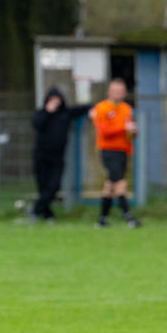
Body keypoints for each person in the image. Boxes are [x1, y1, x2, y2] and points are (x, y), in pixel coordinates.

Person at [31, 86, 93, 221]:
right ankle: (47, 214)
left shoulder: (65, 113)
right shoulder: (42, 113)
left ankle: (35, 209)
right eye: (52, 99)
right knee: (43, 187)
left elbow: (83, 108)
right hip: (41, 156)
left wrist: (93, 110)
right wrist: (48, 112)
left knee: (54, 186)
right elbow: (36, 124)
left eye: (57, 99)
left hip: (57, 157)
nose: (55, 102)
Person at [92, 78, 141, 228]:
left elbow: (130, 132)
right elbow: (104, 131)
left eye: (121, 92)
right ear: (109, 92)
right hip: (108, 150)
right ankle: (129, 217)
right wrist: (123, 128)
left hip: (123, 151)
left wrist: (133, 131)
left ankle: (102, 219)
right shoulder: (102, 108)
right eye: (115, 91)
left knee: (110, 185)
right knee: (120, 183)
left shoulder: (126, 109)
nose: (118, 94)